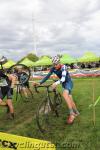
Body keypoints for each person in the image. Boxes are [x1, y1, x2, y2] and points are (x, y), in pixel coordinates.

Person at [33, 56, 79, 124]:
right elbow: (47, 76)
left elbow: (63, 79)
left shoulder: (64, 67)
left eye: (56, 64)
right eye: (53, 65)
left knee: (65, 94)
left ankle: (72, 114)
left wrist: (56, 83)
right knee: (70, 100)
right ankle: (77, 112)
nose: (55, 66)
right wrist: (40, 82)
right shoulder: (53, 68)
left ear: (59, 63)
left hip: (68, 82)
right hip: (64, 84)